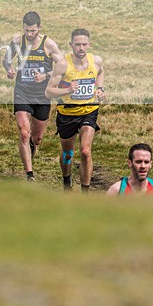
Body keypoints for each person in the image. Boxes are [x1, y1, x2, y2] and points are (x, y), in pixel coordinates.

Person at [3, 11, 62, 181]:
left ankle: (30, 147)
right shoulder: (17, 41)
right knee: (23, 131)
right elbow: (6, 60)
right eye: (26, 30)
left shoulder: (48, 44)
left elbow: (62, 67)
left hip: (42, 95)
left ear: (39, 28)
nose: (29, 34)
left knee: (36, 138)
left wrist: (46, 75)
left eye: (33, 31)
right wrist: (9, 69)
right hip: (22, 91)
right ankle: (30, 174)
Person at [45, 28, 106, 192]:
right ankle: (67, 183)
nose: (81, 48)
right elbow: (49, 91)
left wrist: (100, 89)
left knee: (86, 151)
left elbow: (100, 72)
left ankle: (85, 193)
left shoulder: (96, 61)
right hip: (67, 114)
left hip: (89, 110)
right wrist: (67, 91)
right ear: (71, 45)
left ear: (89, 44)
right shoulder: (63, 64)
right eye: (77, 44)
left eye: (84, 44)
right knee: (68, 153)